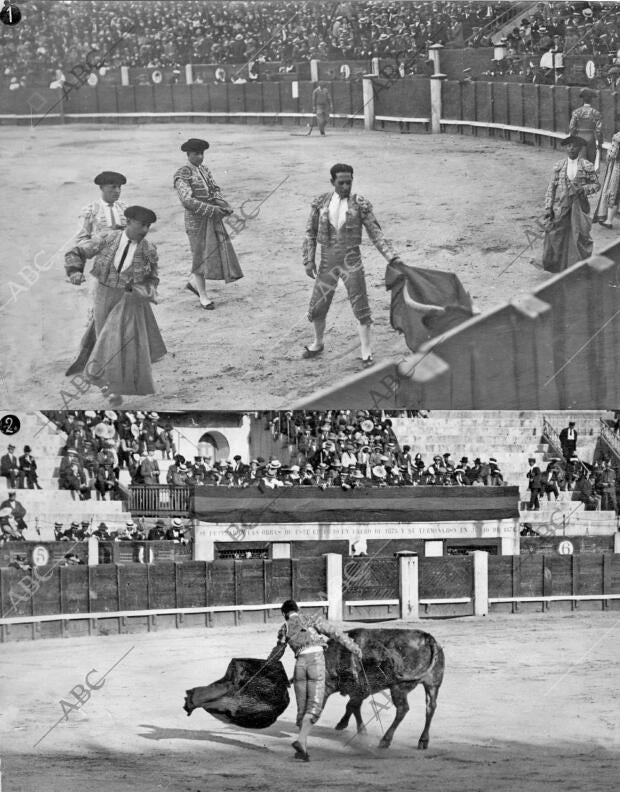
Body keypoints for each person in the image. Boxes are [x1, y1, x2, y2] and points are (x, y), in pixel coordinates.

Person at [303, 163, 404, 368]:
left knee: (360, 304)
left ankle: (366, 350)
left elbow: (376, 233)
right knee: (318, 304)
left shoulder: (359, 204)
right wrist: (308, 259)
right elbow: (310, 233)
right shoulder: (320, 203)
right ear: (332, 182)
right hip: (327, 260)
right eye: (341, 183)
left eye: (349, 182)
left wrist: (392, 258)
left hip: (352, 260)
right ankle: (318, 342)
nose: (346, 186)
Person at [64, 205, 167, 404]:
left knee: (114, 342)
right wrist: (75, 271)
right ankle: (105, 382)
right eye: (142, 225)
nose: (145, 230)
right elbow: (76, 252)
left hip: (129, 299)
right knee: (104, 335)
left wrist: (143, 293)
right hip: (104, 292)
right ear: (128, 222)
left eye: (148, 226)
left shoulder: (149, 250)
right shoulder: (107, 238)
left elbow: (153, 279)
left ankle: (111, 389)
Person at [266, 599, 363, 762]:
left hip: (299, 667)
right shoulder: (311, 619)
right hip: (316, 663)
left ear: (284, 614)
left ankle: (302, 746)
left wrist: (266, 666)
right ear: (298, 609)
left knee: (302, 710)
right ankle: (300, 741)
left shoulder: (285, 628)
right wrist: (354, 648)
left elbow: (277, 653)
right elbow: (335, 634)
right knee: (314, 707)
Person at [173, 138, 243, 310]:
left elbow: (214, 189)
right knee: (199, 255)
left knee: (211, 251)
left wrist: (222, 203)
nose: (200, 157)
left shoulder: (204, 169)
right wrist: (212, 209)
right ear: (188, 154)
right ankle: (203, 296)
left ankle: (196, 285)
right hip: (196, 220)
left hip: (211, 217)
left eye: (202, 153)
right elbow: (187, 201)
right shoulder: (182, 173)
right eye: (196, 153)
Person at [542, 136, 600, 273]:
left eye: (574, 146)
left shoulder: (586, 165)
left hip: (580, 206)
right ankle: (560, 265)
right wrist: (548, 207)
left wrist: (583, 189)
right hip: (562, 205)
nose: (571, 148)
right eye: (568, 146)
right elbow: (551, 188)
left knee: (581, 234)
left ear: (580, 148)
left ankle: (579, 266)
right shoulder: (559, 166)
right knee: (558, 233)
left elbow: (596, 185)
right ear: (565, 148)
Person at [76, 171, 128, 244]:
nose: (117, 191)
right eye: (113, 187)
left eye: (119, 187)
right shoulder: (90, 210)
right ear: (102, 188)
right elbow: (80, 239)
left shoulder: (124, 208)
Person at [568, 87, 602, 164]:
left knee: (579, 161)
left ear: (583, 99)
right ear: (591, 100)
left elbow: (571, 127)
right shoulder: (596, 113)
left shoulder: (576, 112)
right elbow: (598, 130)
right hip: (591, 138)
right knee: (590, 163)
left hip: (579, 137)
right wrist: (599, 142)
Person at [594, 129, 620, 228]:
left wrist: (608, 154)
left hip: (618, 168)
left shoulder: (618, 137)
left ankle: (609, 221)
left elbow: (612, 155)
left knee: (613, 193)